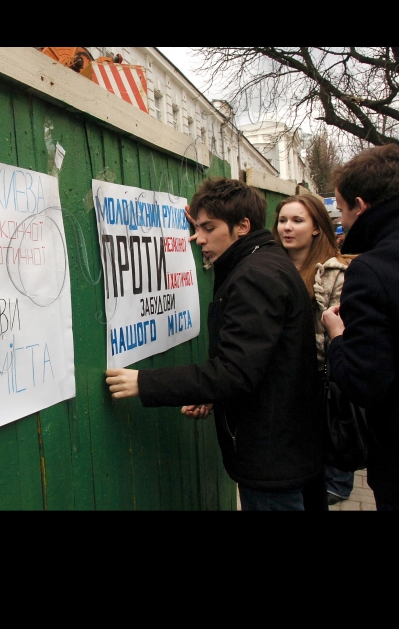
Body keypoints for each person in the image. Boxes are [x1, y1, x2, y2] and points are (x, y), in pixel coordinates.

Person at [106, 177, 322, 511]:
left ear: (242, 226)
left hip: (271, 458)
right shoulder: (264, 261)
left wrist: (145, 382)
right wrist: (210, 395)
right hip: (283, 448)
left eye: (209, 228)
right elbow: (260, 360)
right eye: (198, 227)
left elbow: (236, 371)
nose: (198, 238)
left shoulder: (255, 275)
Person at [321, 144, 399, 511]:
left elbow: (363, 382)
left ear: (360, 205)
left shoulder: (370, 270)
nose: (342, 220)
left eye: (340, 209)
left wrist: (338, 336)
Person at [272, 194, 354, 507]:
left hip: (317, 392)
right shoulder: (270, 265)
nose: (287, 228)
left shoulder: (334, 274)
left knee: (311, 484)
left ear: (317, 227)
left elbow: (338, 335)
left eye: (297, 220)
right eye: (282, 220)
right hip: (281, 394)